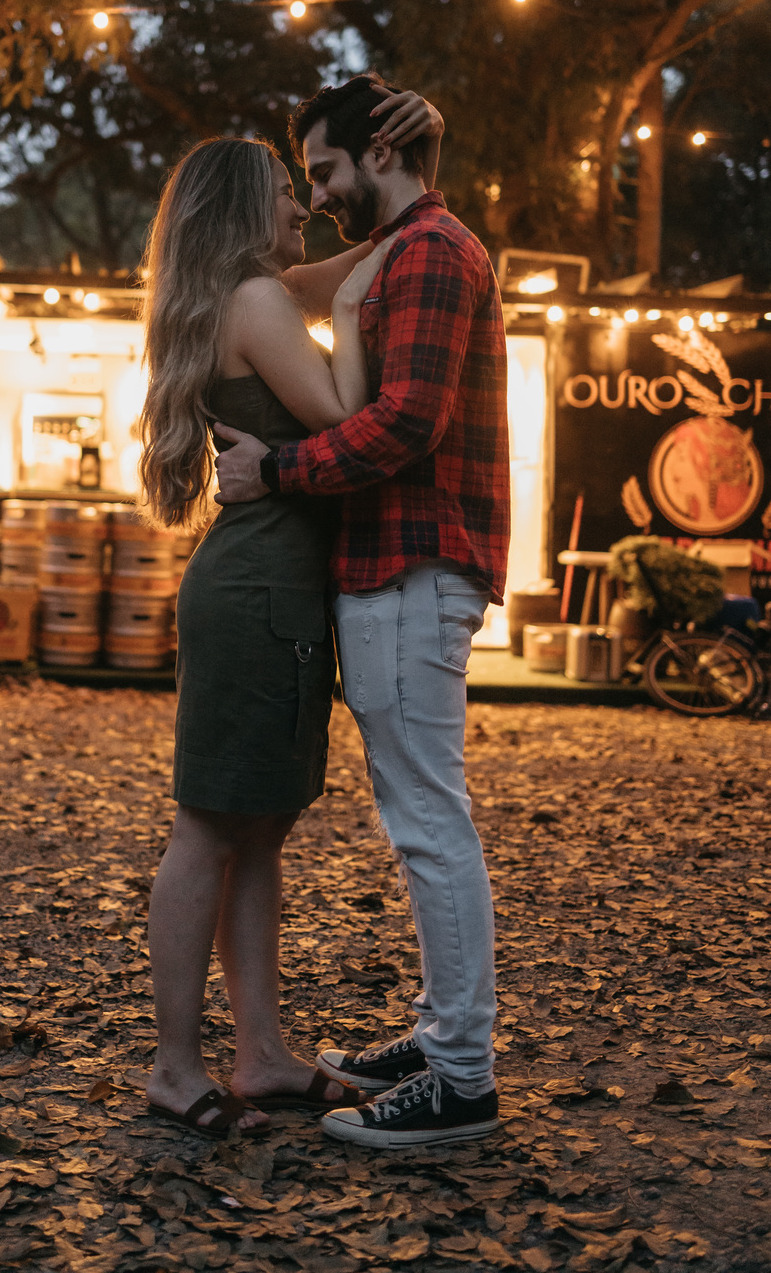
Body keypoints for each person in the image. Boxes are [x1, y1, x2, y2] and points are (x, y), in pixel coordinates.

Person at [140, 89, 444, 1140]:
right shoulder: (257, 303)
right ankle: (176, 1069)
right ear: (242, 209)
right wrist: (357, 318)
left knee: (260, 832)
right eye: (284, 190)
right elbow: (346, 419)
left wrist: (412, 193)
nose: (302, 206)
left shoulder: (249, 290)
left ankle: (261, 1054)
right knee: (207, 828)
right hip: (258, 591)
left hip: (273, 587)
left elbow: (357, 257)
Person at [214, 73, 509, 1148]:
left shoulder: (429, 253)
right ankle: (441, 1041)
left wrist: (276, 471)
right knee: (422, 815)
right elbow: (301, 281)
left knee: (429, 821)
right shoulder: (409, 247)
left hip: (412, 564)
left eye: (327, 169)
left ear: (378, 156)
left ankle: (463, 1077)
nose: (319, 193)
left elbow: (405, 425)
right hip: (400, 566)